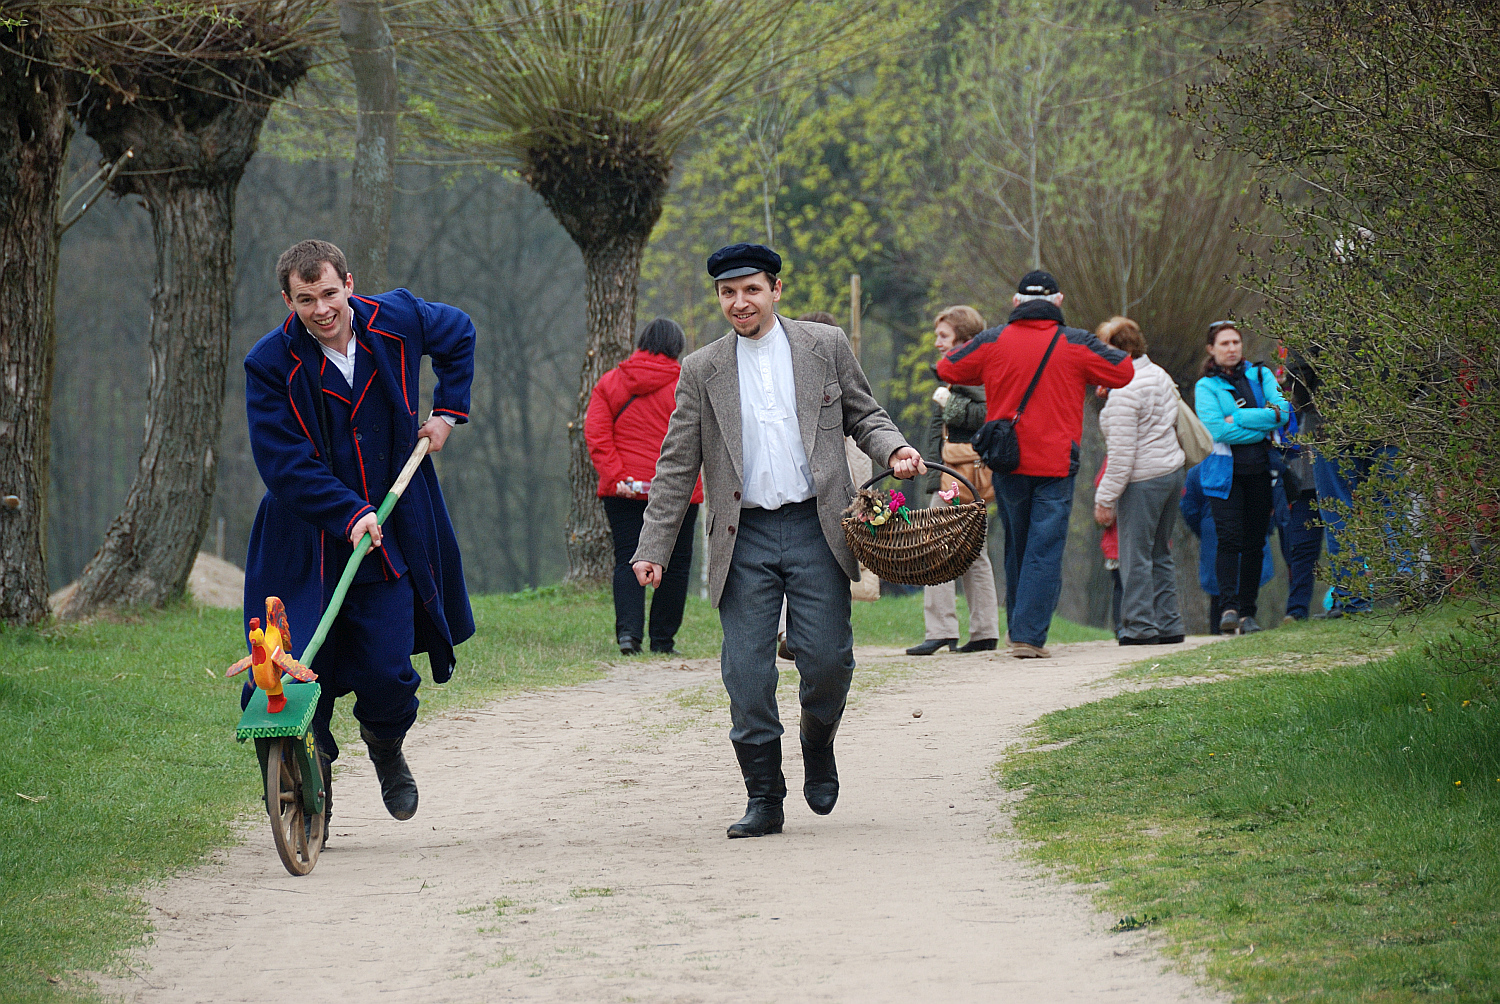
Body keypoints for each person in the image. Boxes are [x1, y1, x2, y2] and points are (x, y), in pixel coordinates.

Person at [631, 243, 924, 839]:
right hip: (744, 537)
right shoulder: (701, 368)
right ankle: (764, 796)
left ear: (776, 291)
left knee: (826, 661)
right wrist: (652, 547)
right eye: (728, 293)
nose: (740, 303)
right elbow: (676, 463)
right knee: (746, 673)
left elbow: (865, 415)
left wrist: (892, 448)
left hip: (819, 528)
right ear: (719, 298)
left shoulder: (826, 347)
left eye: (751, 290)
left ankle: (819, 741)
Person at [243, 239, 475, 827]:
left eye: (328, 293)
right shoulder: (269, 364)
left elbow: (459, 333)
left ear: (348, 282)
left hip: (392, 528)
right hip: (305, 538)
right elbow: (284, 461)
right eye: (305, 300)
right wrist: (347, 513)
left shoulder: (396, 317)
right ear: (287, 300)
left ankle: (385, 744)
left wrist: (447, 411)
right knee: (295, 660)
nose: (321, 309)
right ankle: (311, 759)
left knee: (389, 667)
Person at [937, 270, 1134, 658]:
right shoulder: (1076, 342)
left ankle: (1018, 630)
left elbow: (949, 368)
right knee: (1045, 546)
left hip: (1007, 460)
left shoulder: (994, 340)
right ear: (1058, 301)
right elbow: (1123, 369)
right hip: (1057, 463)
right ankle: (1028, 635)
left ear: (1015, 303)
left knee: (1018, 543)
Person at [586, 318, 703, 655]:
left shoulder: (610, 382)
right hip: (677, 491)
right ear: (677, 347)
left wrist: (617, 475)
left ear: (642, 342)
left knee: (627, 558)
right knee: (676, 564)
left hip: (624, 490)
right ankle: (663, 641)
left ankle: (628, 637)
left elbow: (597, 433)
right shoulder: (686, 385)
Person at [907, 305, 1000, 655]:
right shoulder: (962, 371)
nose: (937, 343)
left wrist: (950, 404)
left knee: (934, 547)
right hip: (956, 474)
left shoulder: (972, 372)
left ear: (963, 339)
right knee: (974, 552)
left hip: (959, 476)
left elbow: (988, 413)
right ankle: (984, 631)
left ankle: (942, 628)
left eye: (943, 336)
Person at [1193, 320, 1292, 634]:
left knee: (1255, 542)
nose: (1232, 348)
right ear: (1212, 349)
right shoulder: (1206, 386)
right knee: (1229, 539)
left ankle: (1249, 612)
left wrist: (1238, 417)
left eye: (1236, 342)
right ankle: (1229, 608)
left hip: (1261, 471)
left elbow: (1284, 413)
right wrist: (1263, 421)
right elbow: (1218, 430)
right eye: (1224, 343)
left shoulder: (1261, 375)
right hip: (1224, 475)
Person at [1092, 317, 1185, 645]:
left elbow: (1120, 458)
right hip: (1172, 472)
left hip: (1142, 480)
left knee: (1134, 556)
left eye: (1103, 345)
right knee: (1160, 552)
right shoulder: (1157, 373)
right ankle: (1169, 624)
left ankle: (1140, 627)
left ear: (1119, 349)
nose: (1097, 351)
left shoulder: (1125, 391)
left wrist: (1105, 499)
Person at [1180, 460, 1276, 632]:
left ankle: (1223, 626)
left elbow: (1189, 507)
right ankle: (1246, 620)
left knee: (1219, 594)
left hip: (1215, 538)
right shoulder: (1260, 462)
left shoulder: (1199, 470)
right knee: (1246, 588)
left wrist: (1204, 529)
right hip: (1240, 540)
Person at [1277, 352, 1325, 621]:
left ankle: (1348, 599)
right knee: (1300, 549)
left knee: (1340, 539)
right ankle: (1296, 610)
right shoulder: (1276, 382)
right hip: (1301, 479)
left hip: (1330, 466)